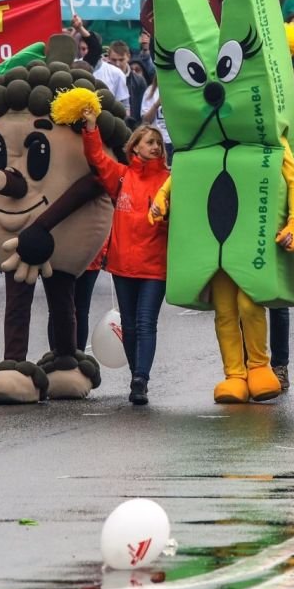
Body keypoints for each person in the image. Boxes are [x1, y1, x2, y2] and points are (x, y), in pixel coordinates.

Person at [105, 124, 171, 405]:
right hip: (123, 265)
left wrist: (166, 218)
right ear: (134, 148)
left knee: (146, 323)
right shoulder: (121, 176)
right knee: (129, 326)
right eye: (149, 142)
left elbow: (185, 220)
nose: (155, 147)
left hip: (155, 265)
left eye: (158, 142)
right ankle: (136, 378)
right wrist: (91, 128)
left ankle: (141, 377)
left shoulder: (170, 179)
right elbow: (96, 157)